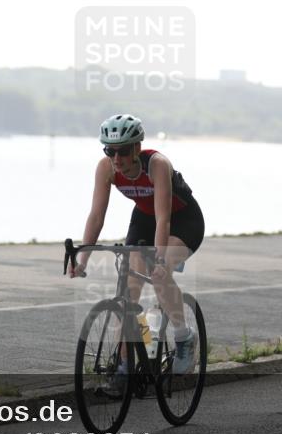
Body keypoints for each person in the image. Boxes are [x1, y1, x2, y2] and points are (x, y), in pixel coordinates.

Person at [68, 114, 205, 374]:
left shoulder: (157, 165)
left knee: (159, 274)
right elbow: (96, 216)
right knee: (129, 293)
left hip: (183, 220)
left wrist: (162, 260)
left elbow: (164, 219)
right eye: (110, 151)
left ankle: (184, 336)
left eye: (123, 151)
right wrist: (82, 260)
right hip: (144, 218)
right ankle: (125, 367)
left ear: (137, 148)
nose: (116, 158)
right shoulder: (106, 168)